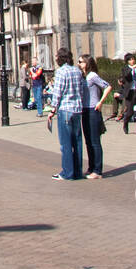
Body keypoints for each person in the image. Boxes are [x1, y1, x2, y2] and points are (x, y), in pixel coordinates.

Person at [46, 48, 85, 180]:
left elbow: (58, 92)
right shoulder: (77, 71)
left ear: (60, 58)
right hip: (77, 109)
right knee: (77, 142)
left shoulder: (61, 72)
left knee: (66, 143)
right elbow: (81, 90)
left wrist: (52, 110)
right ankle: (78, 171)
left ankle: (67, 172)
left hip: (65, 109)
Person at [78, 54, 111, 178]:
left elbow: (107, 86)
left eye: (81, 62)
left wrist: (100, 102)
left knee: (95, 141)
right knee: (88, 141)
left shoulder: (92, 76)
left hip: (93, 109)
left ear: (87, 63)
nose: (79, 64)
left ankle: (97, 170)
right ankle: (91, 167)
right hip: (85, 109)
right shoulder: (83, 76)